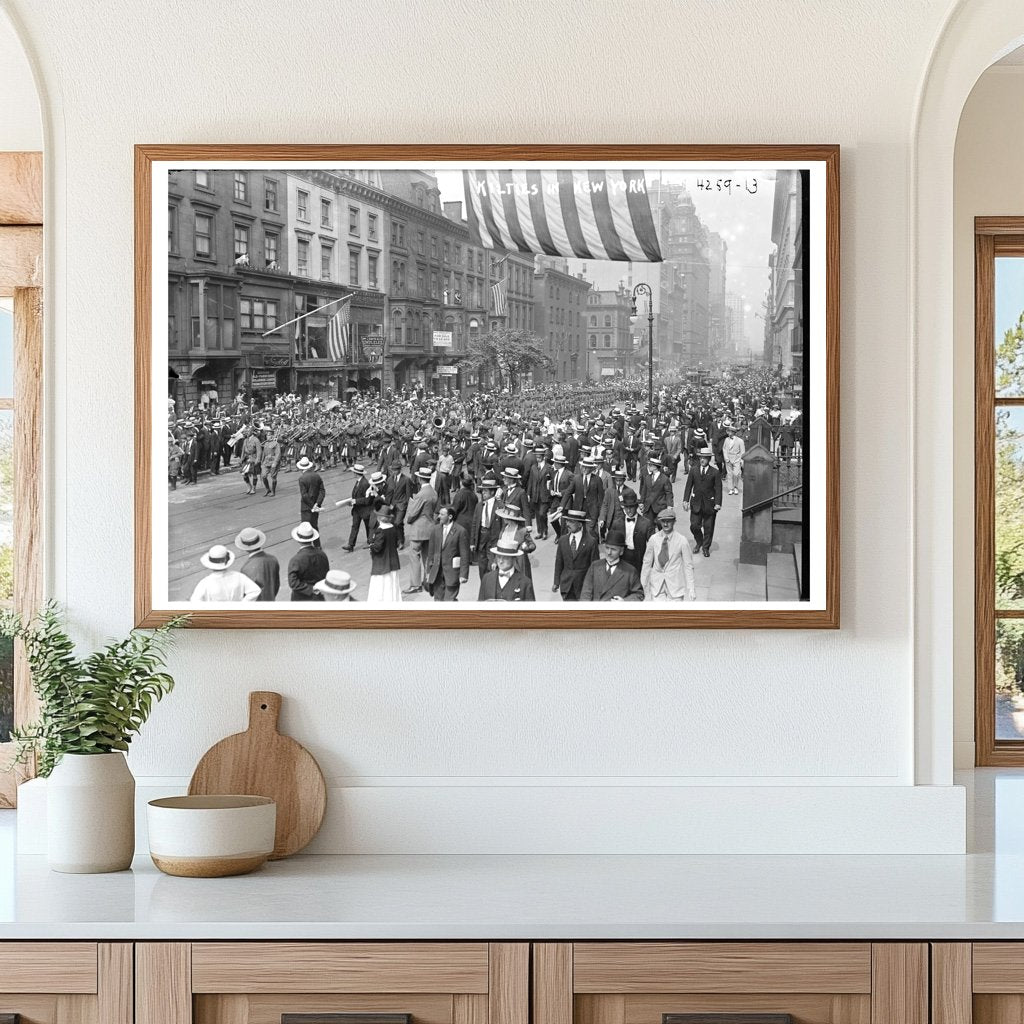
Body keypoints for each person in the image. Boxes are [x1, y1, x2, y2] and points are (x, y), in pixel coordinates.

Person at [641, 508, 696, 601]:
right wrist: (643, 584)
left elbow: (688, 566)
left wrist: (691, 588)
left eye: (669, 521)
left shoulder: (682, 540)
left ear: (674, 522)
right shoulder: (653, 539)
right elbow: (647, 563)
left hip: (675, 587)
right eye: (663, 521)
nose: (665, 524)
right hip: (657, 586)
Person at [580, 529, 644, 601]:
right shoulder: (595, 566)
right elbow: (585, 593)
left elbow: (639, 595)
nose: (609, 552)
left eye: (613, 549)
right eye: (607, 548)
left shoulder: (630, 571)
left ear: (621, 551)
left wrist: (624, 602)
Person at [682, 446, 723, 558]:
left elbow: (718, 489)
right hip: (696, 503)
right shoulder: (693, 470)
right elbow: (688, 486)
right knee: (694, 526)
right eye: (701, 458)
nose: (702, 460)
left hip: (710, 504)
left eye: (705, 458)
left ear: (709, 459)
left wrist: (718, 503)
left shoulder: (715, 472)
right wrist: (685, 500)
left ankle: (705, 548)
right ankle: (699, 541)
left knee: (708, 528)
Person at [425, 505, 471, 601]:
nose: (439, 516)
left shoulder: (461, 531)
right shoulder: (435, 530)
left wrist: (463, 574)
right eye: (439, 514)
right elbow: (431, 552)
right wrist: (428, 571)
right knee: (438, 600)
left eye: (442, 514)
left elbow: (465, 555)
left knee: (449, 601)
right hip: (437, 573)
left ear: (450, 517)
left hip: (452, 573)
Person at [404, 466, 438, 595]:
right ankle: (429, 581)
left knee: (414, 556)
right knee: (427, 557)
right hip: (430, 528)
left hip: (418, 529)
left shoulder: (420, 494)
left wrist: (409, 518)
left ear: (420, 478)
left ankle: (415, 584)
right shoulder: (433, 492)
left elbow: (413, 513)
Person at [552, 509, 598, 601]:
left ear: (580, 524)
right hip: (566, 586)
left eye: (571, 522)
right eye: (567, 521)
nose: (567, 524)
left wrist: (594, 586)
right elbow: (559, 562)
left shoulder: (590, 542)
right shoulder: (563, 540)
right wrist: (556, 582)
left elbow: (595, 566)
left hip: (583, 586)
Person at [190, 544, 261, 602]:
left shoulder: (205, 583)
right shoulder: (239, 576)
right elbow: (255, 590)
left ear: (210, 565)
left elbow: (195, 601)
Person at [367, 504, 403, 602]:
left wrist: (371, 546)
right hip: (393, 561)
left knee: (381, 585)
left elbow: (378, 547)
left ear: (379, 518)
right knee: (392, 584)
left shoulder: (380, 530)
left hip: (382, 563)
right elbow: (396, 543)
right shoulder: (393, 527)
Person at [470, 474, 502, 580]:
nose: (483, 493)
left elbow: (503, 525)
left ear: (492, 492)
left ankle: (492, 585)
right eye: (482, 491)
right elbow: (474, 524)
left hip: (493, 538)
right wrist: (472, 542)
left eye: (485, 491)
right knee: (482, 565)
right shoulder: (479, 506)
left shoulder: (500, 506)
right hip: (481, 537)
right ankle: (483, 586)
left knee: (492, 564)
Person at [287, 522, 330, 601]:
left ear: (298, 540)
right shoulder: (322, 554)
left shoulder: (296, 560)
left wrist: (311, 589)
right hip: (320, 597)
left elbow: (293, 584)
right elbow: (327, 574)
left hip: (302, 599)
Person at [235, 527, 280, 601]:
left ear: (245, 547)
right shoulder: (273, 559)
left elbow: (247, 594)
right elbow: (276, 584)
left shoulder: (246, 568)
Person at [342, 464, 377, 552]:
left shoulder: (364, 483)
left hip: (365, 510)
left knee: (368, 527)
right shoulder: (359, 481)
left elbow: (367, 500)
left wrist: (355, 501)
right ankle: (351, 544)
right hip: (357, 509)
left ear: (356, 473)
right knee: (355, 526)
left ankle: (371, 543)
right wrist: (353, 502)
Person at [619, 488, 654, 573]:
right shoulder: (618, 522)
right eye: (626, 507)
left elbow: (652, 544)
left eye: (631, 507)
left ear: (636, 507)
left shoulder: (646, 523)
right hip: (623, 556)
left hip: (639, 557)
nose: (628, 510)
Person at [296, 456, 326, 548]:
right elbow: (322, 491)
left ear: (301, 468)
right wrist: (317, 504)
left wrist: (312, 506)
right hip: (316, 506)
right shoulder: (317, 475)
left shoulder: (302, 478)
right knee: (314, 526)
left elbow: (304, 495)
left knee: (306, 528)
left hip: (306, 507)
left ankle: (307, 546)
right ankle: (318, 546)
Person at [526, 445, 553, 539]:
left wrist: (550, 492)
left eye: (539, 457)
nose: (537, 458)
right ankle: (540, 532)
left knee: (542, 514)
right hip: (535, 495)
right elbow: (530, 481)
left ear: (543, 456)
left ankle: (545, 531)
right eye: (536, 457)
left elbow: (551, 482)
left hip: (544, 495)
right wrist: (529, 493)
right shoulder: (533, 467)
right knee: (537, 514)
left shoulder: (549, 468)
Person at [640, 453, 673, 522]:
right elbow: (644, 491)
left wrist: (669, 505)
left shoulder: (664, 479)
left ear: (655, 467)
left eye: (650, 465)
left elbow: (669, 493)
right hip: (648, 507)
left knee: (660, 526)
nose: (648, 466)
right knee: (647, 527)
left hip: (660, 508)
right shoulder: (647, 478)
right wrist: (641, 502)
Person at [722, 425, 746, 495]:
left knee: (736, 474)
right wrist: (726, 458)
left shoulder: (740, 441)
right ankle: (731, 488)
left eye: (729, 432)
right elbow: (724, 449)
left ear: (733, 432)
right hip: (728, 459)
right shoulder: (726, 440)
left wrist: (742, 460)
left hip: (736, 459)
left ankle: (735, 487)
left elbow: (742, 451)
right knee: (729, 474)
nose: (728, 433)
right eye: (728, 431)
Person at [260, 430, 283, 496]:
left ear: (272, 436)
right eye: (267, 435)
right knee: (263, 476)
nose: (268, 436)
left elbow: (278, 454)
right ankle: (268, 489)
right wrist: (262, 462)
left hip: (273, 462)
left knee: (273, 477)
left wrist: (275, 462)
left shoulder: (276, 443)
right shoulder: (266, 443)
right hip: (266, 462)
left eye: (269, 435)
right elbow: (264, 454)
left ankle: (273, 491)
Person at [240, 428, 262, 495]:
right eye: (246, 432)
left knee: (254, 474)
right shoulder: (245, 440)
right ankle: (249, 486)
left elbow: (259, 451)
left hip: (253, 458)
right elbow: (243, 451)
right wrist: (241, 459)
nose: (246, 433)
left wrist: (257, 460)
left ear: (251, 432)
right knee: (244, 474)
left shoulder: (256, 440)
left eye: (248, 431)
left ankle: (254, 488)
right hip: (246, 459)